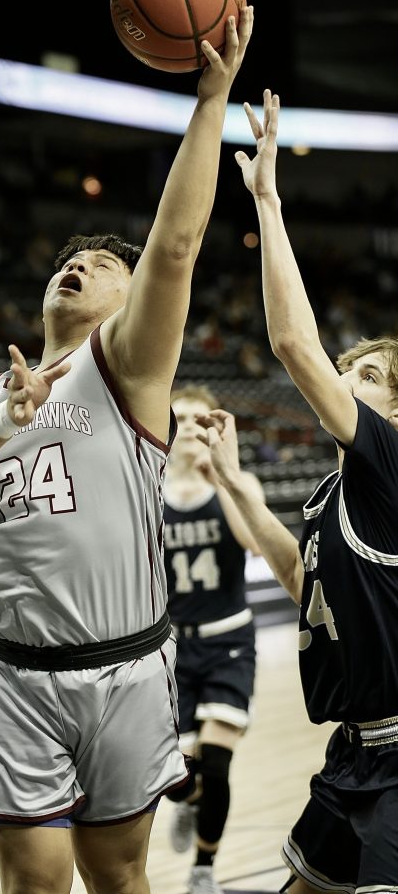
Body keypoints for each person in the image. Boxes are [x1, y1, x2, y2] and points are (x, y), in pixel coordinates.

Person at [0, 5, 254, 894]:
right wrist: (2, 419)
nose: (80, 265)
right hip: (16, 673)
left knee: (117, 877)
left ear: (127, 299)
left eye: (105, 266)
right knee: (33, 885)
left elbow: (176, 248)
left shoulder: (128, 369)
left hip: (126, 667)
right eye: (70, 261)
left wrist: (210, 101)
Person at [197, 90, 398, 894]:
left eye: (370, 375)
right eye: (350, 369)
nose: (348, 379)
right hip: (354, 751)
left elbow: (290, 340)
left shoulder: (389, 457)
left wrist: (268, 202)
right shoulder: (335, 492)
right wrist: (237, 486)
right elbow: (299, 577)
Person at [163, 383, 266, 894]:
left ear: (214, 429)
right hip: (171, 652)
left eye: (200, 420)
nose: (188, 427)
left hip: (228, 640)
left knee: (218, 763)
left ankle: (204, 868)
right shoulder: (148, 489)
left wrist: (223, 478)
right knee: (178, 776)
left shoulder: (238, 482)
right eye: (179, 417)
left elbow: (252, 541)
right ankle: (187, 802)